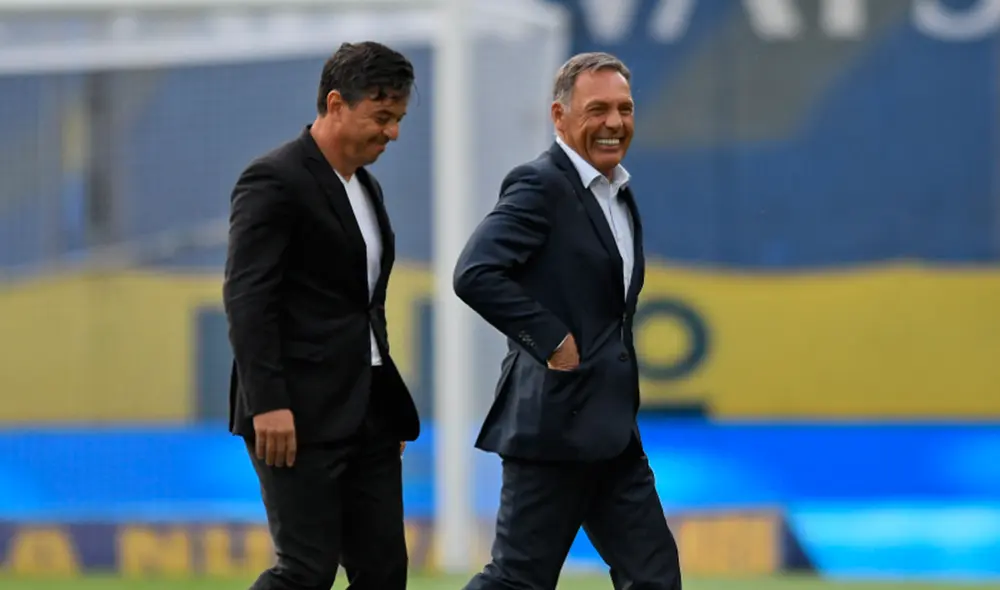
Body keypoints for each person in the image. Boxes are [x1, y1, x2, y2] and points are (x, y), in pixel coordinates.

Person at [453, 52, 683, 590]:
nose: (614, 122)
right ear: (559, 117)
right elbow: (476, 272)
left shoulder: (616, 191)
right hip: (553, 426)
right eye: (597, 109)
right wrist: (553, 340)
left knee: (654, 578)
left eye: (624, 108)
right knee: (518, 581)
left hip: (613, 430)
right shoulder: (540, 185)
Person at [223, 41, 420, 590]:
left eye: (399, 119)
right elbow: (247, 298)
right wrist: (268, 404)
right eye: (382, 117)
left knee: (383, 573)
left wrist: (376, 399)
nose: (393, 133)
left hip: (368, 412)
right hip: (295, 414)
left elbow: (362, 305)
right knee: (306, 571)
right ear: (336, 104)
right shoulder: (274, 179)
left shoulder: (366, 185)